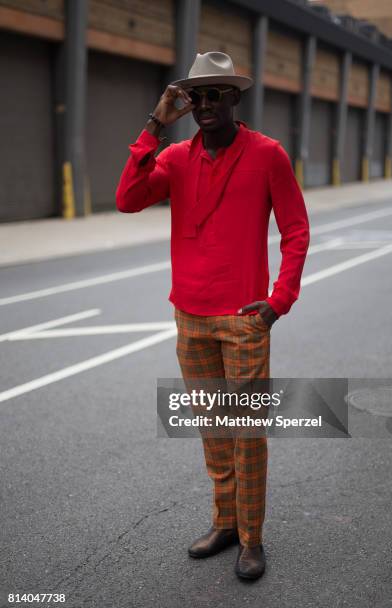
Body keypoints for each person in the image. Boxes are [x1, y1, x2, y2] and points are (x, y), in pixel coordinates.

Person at [116, 52, 310, 580]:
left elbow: (295, 229)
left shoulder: (268, 155)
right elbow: (127, 199)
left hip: (245, 317)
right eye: (195, 95)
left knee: (245, 433)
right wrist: (156, 122)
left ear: (235, 99)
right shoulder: (177, 156)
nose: (203, 104)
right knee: (212, 429)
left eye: (214, 94)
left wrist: (277, 302)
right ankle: (225, 523)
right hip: (190, 317)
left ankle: (252, 538)